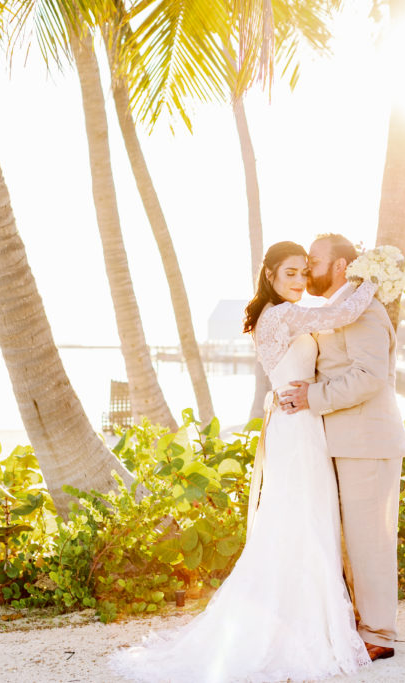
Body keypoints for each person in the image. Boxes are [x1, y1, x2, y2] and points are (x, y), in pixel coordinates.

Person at [110, 241, 378, 682]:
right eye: (289, 273)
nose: (299, 280)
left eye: (303, 272)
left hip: (297, 422)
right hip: (296, 427)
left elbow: (324, 323)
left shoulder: (279, 313)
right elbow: (338, 316)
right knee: (301, 519)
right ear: (270, 275)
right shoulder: (280, 315)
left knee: (301, 519)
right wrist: (373, 279)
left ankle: (306, 616)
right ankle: (303, 626)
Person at [279, 233, 405, 662]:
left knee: (369, 542)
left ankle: (379, 635)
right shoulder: (339, 310)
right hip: (344, 441)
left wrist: (310, 397)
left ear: (340, 266)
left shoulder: (364, 311)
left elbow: (369, 376)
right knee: (350, 541)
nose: (307, 269)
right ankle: (360, 625)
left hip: (368, 443)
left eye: (314, 260)